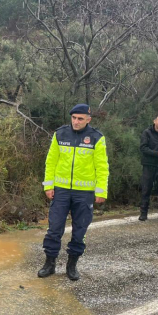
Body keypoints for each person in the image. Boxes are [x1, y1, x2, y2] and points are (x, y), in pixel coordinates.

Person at [39, 104, 109, 281]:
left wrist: (101, 191)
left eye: (80, 119)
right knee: (54, 229)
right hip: (61, 191)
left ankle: (72, 265)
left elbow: (102, 167)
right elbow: (51, 162)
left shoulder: (97, 138)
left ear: (88, 120)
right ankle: (49, 263)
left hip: (84, 193)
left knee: (79, 231)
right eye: (74, 118)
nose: (76, 122)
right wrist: (48, 186)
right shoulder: (60, 134)